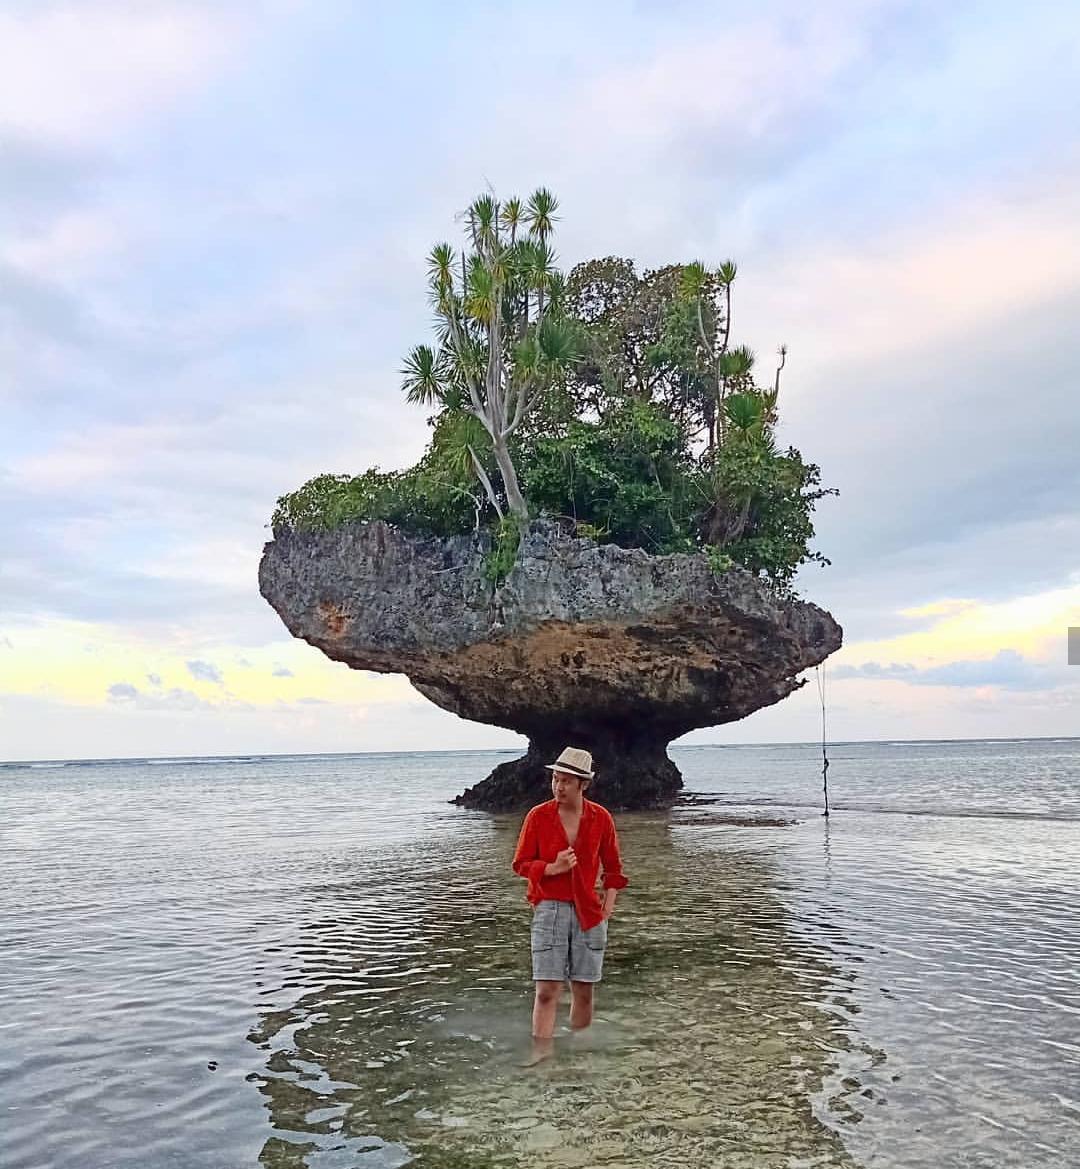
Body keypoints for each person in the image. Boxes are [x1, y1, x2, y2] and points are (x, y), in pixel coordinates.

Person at [511, 746, 629, 1053]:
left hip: (589, 912)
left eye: (565, 781)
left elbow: (614, 868)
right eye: (555, 779)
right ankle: (542, 1054)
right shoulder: (538, 816)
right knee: (547, 991)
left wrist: (609, 903)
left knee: (584, 990)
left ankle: (579, 1052)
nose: (558, 787)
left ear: (583, 784)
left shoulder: (601, 818)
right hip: (549, 908)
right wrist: (552, 867)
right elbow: (521, 864)